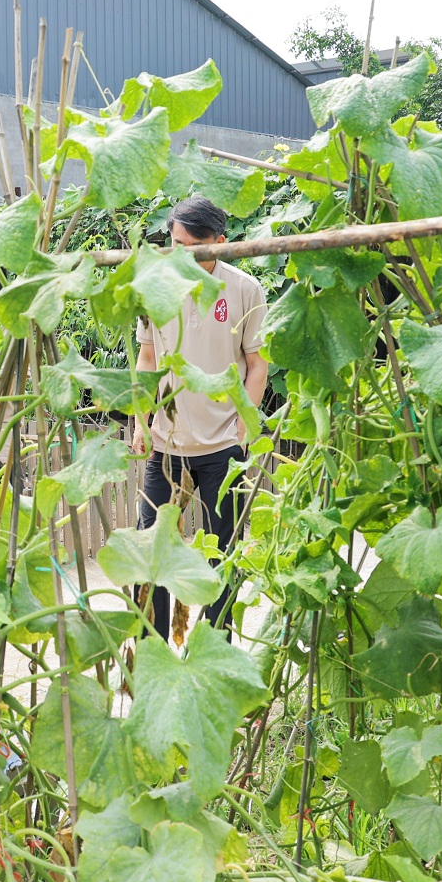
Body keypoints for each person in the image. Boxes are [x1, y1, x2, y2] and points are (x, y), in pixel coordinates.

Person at [130, 196, 268, 639]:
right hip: (166, 442)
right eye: (174, 243)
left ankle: (217, 649)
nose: (179, 254)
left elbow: (257, 362)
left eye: (191, 246)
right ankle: (151, 653)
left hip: (222, 444)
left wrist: (245, 425)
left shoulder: (244, 289)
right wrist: (139, 419)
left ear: (219, 243)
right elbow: (148, 355)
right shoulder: (155, 286)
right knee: (150, 553)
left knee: (222, 555)